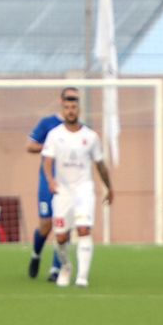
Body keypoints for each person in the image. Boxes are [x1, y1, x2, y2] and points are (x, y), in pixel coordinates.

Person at [41, 92, 114, 288]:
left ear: (78, 110)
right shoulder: (55, 135)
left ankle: (82, 276)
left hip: (84, 189)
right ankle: (66, 267)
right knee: (61, 235)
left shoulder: (90, 137)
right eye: (67, 107)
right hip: (62, 191)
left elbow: (99, 164)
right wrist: (50, 180)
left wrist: (109, 187)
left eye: (73, 108)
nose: (70, 111)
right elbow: (47, 161)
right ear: (63, 110)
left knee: (83, 229)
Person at [26, 90, 72, 281]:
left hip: (69, 183)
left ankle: (55, 268)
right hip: (48, 180)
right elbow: (30, 145)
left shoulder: (81, 130)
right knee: (46, 225)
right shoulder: (48, 124)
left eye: (75, 100)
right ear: (61, 102)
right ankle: (36, 255)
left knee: (64, 225)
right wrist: (51, 146)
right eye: (68, 99)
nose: (72, 103)